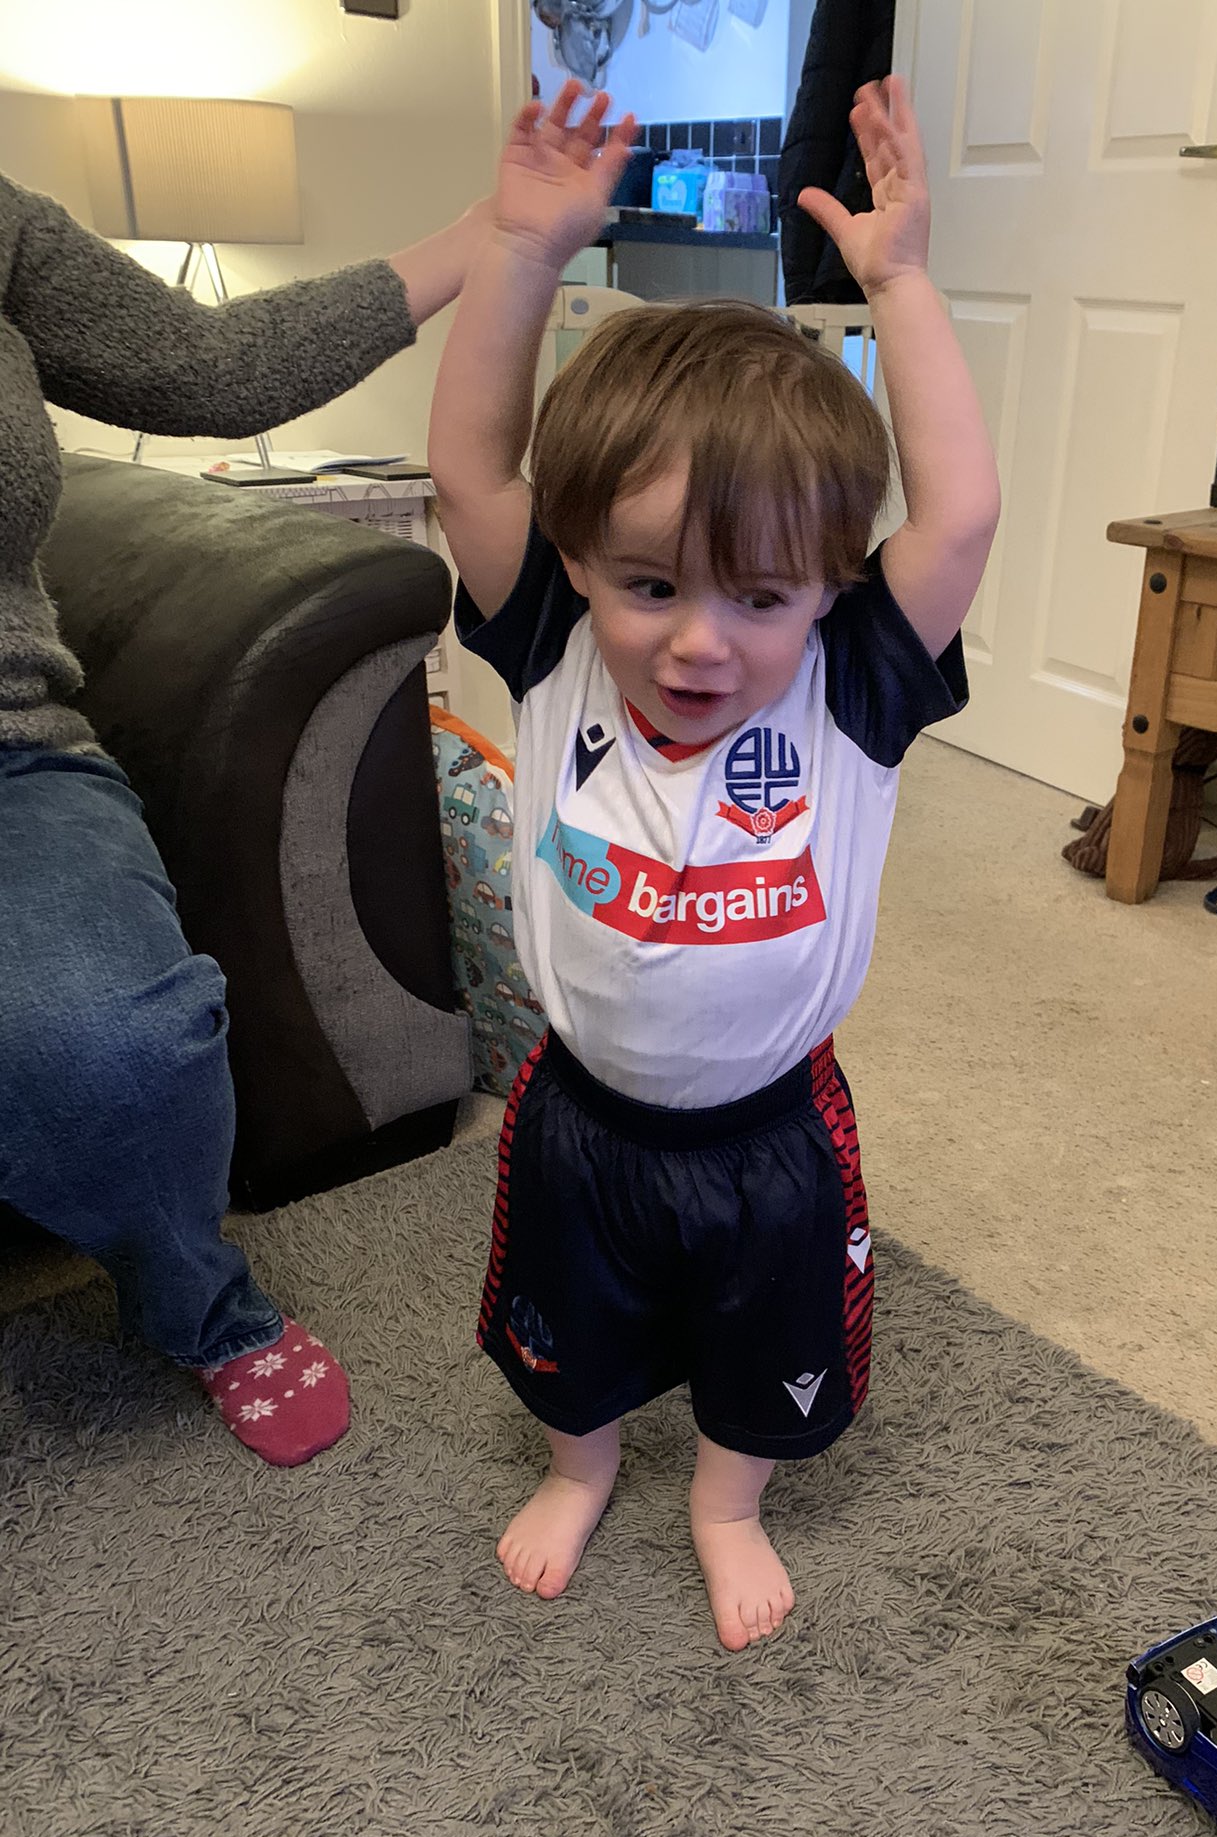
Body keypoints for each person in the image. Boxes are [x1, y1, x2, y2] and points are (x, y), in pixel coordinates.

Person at [429, 78, 999, 1649]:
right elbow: (475, 471)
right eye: (650, 583)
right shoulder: (550, 650)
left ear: (827, 591)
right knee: (571, 1336)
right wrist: (527, 256)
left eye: (759, 596)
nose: (700, 640)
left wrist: (902, 284)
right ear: (577, 565)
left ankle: (723, 1500)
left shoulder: (853, 683)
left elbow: (960, 516)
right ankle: (585, 1467)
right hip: (580, 1115)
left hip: (772, 1131)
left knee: (769, 1341)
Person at [0, 167, 492, 1467]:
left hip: (9, 755)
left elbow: (208, 360)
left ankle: (193, 1300)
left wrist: (489, 230)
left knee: (120, 1055)